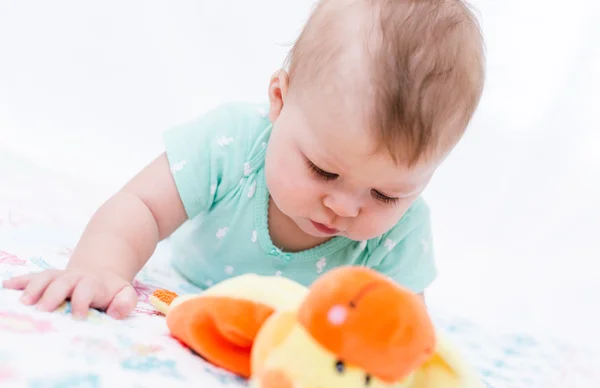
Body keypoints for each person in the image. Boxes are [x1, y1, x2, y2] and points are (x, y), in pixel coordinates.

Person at [2, 0, 485, 319]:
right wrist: (103, 267)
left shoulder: (402, 234)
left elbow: (401, 331)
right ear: (280, 98)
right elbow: (142, 207)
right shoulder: (233, 143)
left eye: (386, 193)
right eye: (323, 169)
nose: (343, 206)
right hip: (189, 288)